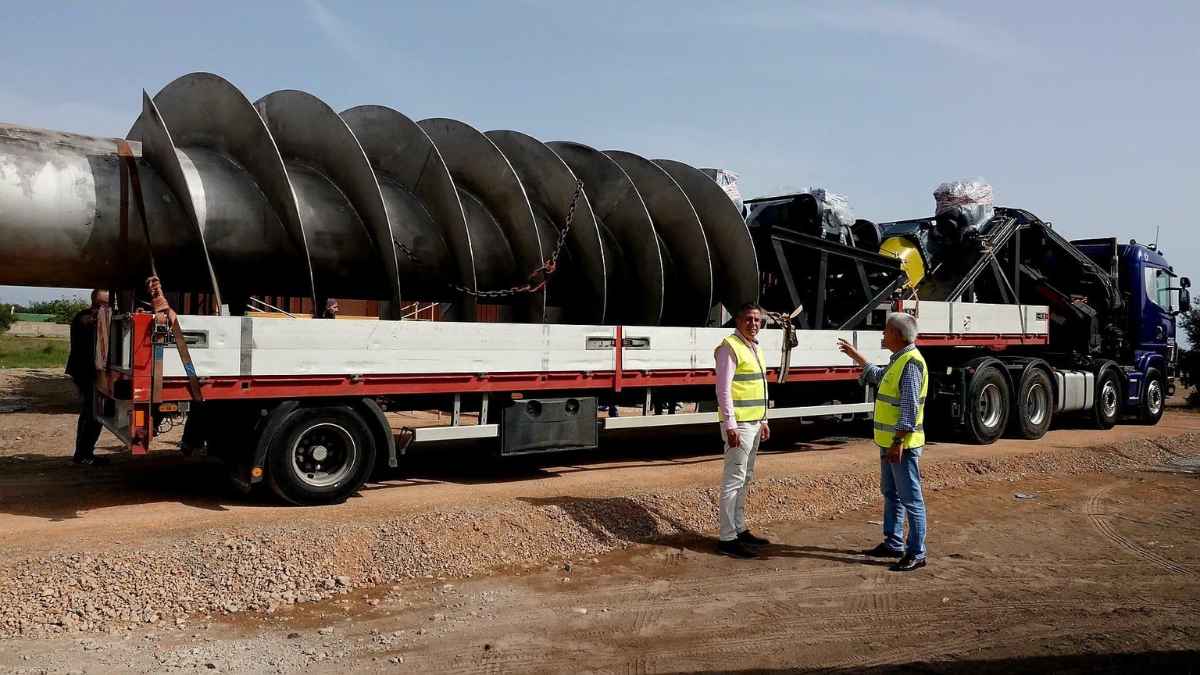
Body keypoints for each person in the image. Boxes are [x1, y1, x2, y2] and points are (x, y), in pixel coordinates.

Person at [837, 312, 928, 572]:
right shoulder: (899, 360)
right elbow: (877, 375)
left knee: (911, 499)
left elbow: (909, 409)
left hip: (903, 445)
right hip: (890, 442)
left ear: (897, 336)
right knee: (892, 494)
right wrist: (855, 356)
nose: (882, 334)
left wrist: (898, 442)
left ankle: (917, 552)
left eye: (886, 330)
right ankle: (894, 542)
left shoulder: (910, 363)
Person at [713, 302, 771, 558]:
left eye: (757, 320)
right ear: (737, 321)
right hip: (740, 426)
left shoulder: (755, 347)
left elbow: (760, 386)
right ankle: (727, 538)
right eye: (748, 319)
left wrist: (765, 419)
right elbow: (723, 390)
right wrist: (730, 425)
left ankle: (739, 528)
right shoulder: (729, 347)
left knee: (745, 478)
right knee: (733, 480)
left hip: (755, 423)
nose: (754, 324)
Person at [66, 289, 110, 466]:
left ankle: (84, 452)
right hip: (86, 372)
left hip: (85, 371)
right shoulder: (87, 319)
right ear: (97, 303)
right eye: (104, 304)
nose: (106, 307)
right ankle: (84, 455)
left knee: (91, 413)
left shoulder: (87, 317)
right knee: (91, 414)